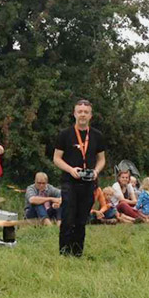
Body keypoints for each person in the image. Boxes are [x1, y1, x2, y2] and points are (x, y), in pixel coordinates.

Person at [53, 99, 106, 256]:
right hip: (70, 182)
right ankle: (64, 253)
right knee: (68, 218)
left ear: (90, 115)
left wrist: (96, 171)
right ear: (74, 113)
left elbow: (102, 159)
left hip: (89, 183)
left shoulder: (97, 135)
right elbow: (56, 158)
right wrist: (70, 170)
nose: (82, 115)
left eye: (86, 112)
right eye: (80, 111)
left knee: (81, 220)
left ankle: (77, 253)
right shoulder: (65, 134)